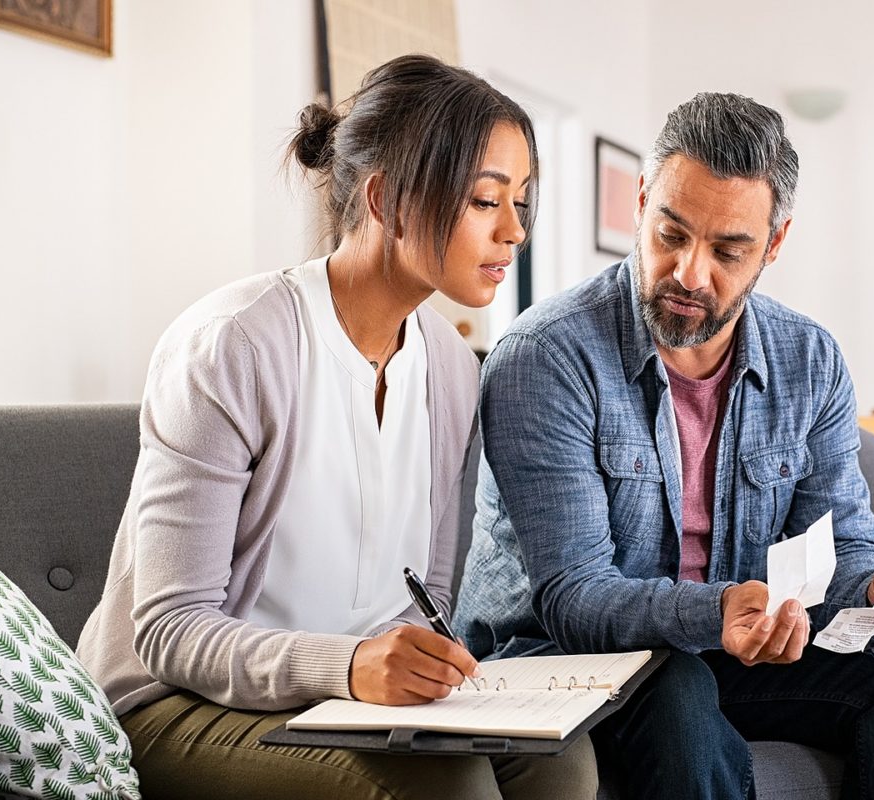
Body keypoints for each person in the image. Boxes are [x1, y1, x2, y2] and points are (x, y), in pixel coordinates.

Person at [77, 54, 597, 800]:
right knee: (447, 789)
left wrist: (434, 670)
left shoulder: (454, 370)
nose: (514, 230)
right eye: (487, 201)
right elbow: (169, 630)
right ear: (385, 198)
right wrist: (349, 667)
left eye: (522, 200)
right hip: (172, 707)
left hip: (346, 703)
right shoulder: (234, 345)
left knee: (562, 764)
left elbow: (431, 596)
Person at [453, 92, 874, 800]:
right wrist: (718, 613)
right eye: (671, 234)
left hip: (723, 642)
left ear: (773, 246)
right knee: (679, 685)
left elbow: (842, 538)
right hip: (555, 657)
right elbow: (572, 597)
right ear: (640, 204)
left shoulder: (810, 360)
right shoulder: (546, 356)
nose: (690, 273)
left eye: (728, 251)